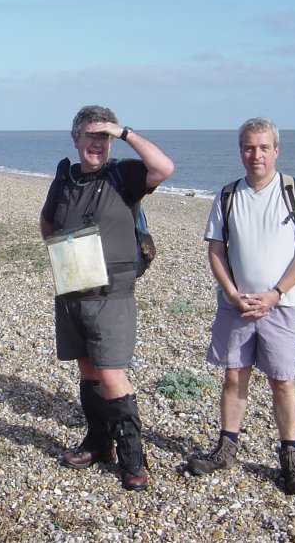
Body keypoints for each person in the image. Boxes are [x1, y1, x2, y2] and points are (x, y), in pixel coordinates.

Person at [40, 105, 174, 490]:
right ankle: (98, 443)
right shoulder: (65, 178)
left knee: (112, 373)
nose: (97, 143)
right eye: (91, 135)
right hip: (73, 290)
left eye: (104, 137)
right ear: (75, 139)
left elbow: (164, 168)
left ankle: (133, 457)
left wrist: (123, 131)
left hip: (112, 294)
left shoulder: (124, 175)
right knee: (87, 370)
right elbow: (47, 221)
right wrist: (60, 254)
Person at [186, 117, 295, 495]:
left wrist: (275, 293)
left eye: (263, 147)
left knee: (283, 380)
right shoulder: (228, 196)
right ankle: (226, 448)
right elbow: (216, 250)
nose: (256, 154)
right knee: (233, 376)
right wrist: (231, 293)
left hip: (282, 306)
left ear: (276, 150)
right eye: (248, 147)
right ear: (240, 151)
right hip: (237, 306)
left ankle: (290, 457)